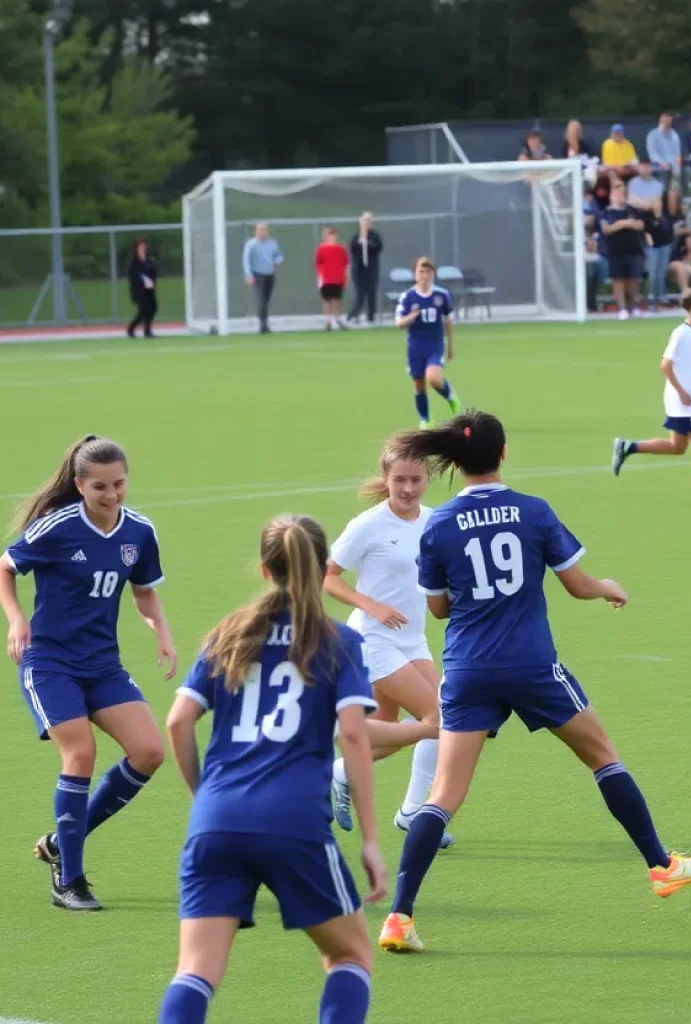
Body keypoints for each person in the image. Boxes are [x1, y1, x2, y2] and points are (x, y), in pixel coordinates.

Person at [375, 411, 691, 953]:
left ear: (455, 464)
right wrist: (608, 587)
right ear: (504, 454)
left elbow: (437, 610)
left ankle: (399, 917)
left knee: (442, 797)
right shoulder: (533, 512)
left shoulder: (437, 525)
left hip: (466, 671)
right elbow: (578, 585)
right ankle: (662, 865)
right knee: (603, 755)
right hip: (532, 667)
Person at [159, 515, 412, 1024]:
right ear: (321, 571)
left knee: (196, 970)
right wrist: (368, 839)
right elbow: (355, 734)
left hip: (217, 819)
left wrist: (203, 795)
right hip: (293, 821)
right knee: (350, 956)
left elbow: (178, 721)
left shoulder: (227, 636)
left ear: (263, 568)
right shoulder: (338, 642)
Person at [0, 435, 175, 911]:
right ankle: (69, 881)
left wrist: (160, 629)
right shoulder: (55, 528)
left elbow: (143, 590)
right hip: (50, 662)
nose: (112, 494)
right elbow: (5, 567)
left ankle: (60, 842)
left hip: (102, 664)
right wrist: (17, 620)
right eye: (100, 486)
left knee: (149, 751)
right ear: (80, 485)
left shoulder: (138, 532)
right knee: (81, 753)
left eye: (119, 484)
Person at [324, 443, 454, 849]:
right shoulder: (368, 524)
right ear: (386, 479)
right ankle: (416, 811)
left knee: (390, 731)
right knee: (440, 716)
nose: (408, 488)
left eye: (416, 480)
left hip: (412, 639)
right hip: (371, 639)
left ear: (428, 480)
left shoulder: (434, 522)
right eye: (399, 480)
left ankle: (337, 771)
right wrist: (371, 605)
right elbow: (327, 577)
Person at [611, 290, 691, 508]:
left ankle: (628, 447)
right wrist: (681, 392)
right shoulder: (681, 333)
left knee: (677, 447)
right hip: (683, 402)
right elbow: (665, 365)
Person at [394, 257, 461, 427]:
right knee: (419, 385)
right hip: (415, 347)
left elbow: (447, 321)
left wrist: (450, 346)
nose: (424, 275)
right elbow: (399, 323)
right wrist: (411, 316)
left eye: (428, 272)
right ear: (415, 274)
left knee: (433, 378)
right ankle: (425, 419)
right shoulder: (408, 297)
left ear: (433, 274)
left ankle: (450, 396)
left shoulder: (441, 295)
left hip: (435, 345)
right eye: (421, 272)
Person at [600, 179, 646, 319]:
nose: (621, 194)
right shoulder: (607, 212)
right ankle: (622, 308)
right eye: (618, 191)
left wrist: (624, 224)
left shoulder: (633, 210)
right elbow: (607, 229)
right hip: (615, 251)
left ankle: (634, 307)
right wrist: (624, 223)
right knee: (618, 280)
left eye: (622, 191)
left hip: (633, 249)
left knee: (633, 279)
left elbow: (640, 225)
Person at [242, 223, 284, 334]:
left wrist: (277, 261)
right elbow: (246, 260)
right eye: (260, 229)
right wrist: (248, 275)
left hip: (269, 273)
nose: (262, 232)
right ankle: (263, 324)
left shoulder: (272, 243)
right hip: (257, 274)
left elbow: (279, 256)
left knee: (266, 298)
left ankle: (264, 321)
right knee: (261, 299)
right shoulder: (251, 244)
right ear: (256, 231)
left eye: (264, 229)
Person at [645, 111, 682, 216]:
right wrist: (663, 163)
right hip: (658, 165)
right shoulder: (652, 135)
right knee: (664, 173)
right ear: (661, 119)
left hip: (672, 165)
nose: (667, 121)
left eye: (669, 119)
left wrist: (677, 165)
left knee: (683, 172)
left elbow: (677, 154)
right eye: (665, 118)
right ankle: (663, 204)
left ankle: (678, 205)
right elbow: (653, 155)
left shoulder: (674, 135)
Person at [315, 227, 350, 331]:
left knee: (337, 300)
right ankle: (327, 322)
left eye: (333, 234)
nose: (332, 236)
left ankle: (338, 319)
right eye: (330, 234)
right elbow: (318, 263)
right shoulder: (321, 249)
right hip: (326, 279)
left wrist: (346, 277)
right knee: (327, 300)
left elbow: (346, 263)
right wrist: (320, 277)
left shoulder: (341, 249)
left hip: (338, 278)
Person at [126, 238, 158, 338]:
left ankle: (147, 330)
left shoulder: (150, 260)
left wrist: (151, 281)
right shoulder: (133, 261)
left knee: (152, 308)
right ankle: (132, 328)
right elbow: (133, 275)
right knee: (143, 310)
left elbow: (153, 271)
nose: (143, 248)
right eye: (140, 247)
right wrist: (142, 281)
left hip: (149, 290)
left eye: (144, 246)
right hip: (139, 290)